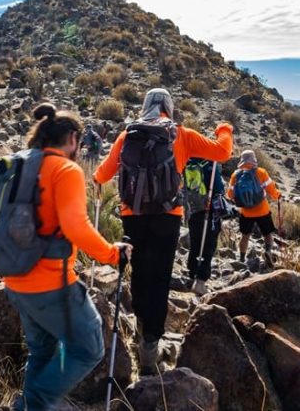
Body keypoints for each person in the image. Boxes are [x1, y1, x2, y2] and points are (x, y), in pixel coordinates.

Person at [93, 88, 233, 375]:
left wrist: (96, 180)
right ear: (169, 106)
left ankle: (141, 327)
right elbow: (222, 152)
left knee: (140, 273)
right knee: (159, 279)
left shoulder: (128, 135)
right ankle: (150, 347)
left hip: (132, 215)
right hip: (167, 216)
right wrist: (224, 129)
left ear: (146, 106)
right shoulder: (180, 134)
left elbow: (102, 174)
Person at [5, 103, 133, 411]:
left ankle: (30, 407)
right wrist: (111, 253)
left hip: (15, 280)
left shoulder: (20, 165)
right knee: (89, 348)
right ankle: (34, 403)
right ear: (74, 138)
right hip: (52, 284)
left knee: (41, 352)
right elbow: (76, 226)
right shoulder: (66, 169)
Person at [226, 149, 282, 267]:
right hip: (262, 210)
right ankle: (268, 251)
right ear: (254, 159)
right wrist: (278, 195)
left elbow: (229, 195)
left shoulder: (235, 175)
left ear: (241, 160)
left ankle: (241, 259)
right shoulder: (261, 172)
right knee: (267, 234)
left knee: (245, 236)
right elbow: (271, 190)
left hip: (246, 212)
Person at [184, 158, 226, 295]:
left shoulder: (188, 163)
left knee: (195, 242)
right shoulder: (211, 165)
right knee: (208, 245)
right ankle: (200, 282)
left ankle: (192, 274)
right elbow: (219, 189)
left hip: (192, 210)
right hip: (208, 211)